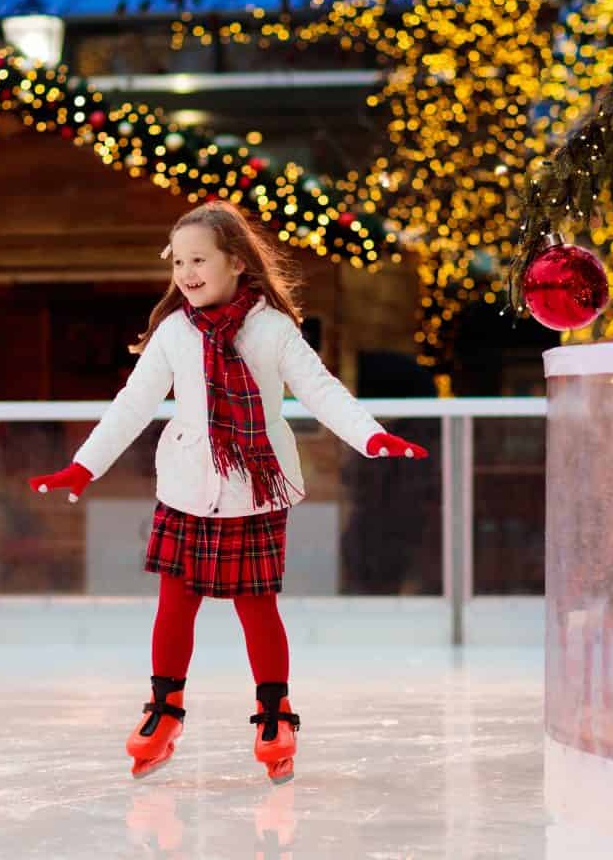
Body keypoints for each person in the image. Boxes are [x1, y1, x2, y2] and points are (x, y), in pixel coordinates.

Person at [29, 201, 428, 784]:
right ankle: (164, 711)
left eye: (200, 260)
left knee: (257, 606)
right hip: (189, 487)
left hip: (254, 488)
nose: (187, 273)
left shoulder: (271, 328)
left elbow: (320, 389)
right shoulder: (174, 332)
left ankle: (275, 715)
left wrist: (372, 438)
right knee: (175, 603)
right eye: (179, 262)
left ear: (237, 263)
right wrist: (83, 467)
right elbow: (133, 405)